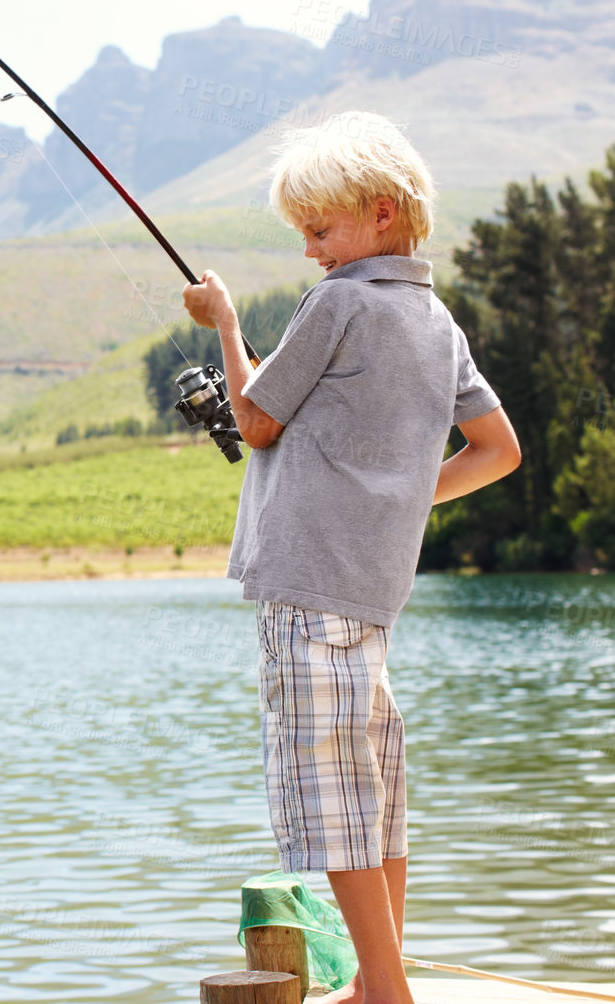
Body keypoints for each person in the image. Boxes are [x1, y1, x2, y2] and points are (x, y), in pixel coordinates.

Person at [181, 111, 522, 1004]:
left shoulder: (337, 302)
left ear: (378, 213)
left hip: (305, 594)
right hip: (371, 599)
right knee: (372, 796)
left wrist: (222, 320)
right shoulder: (435, 320)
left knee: (329, 807)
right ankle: (380, 982)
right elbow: (497, 449)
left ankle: (388, 992)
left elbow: (255, 420)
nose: (310, 251)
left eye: (320, 230)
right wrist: (403, 503)